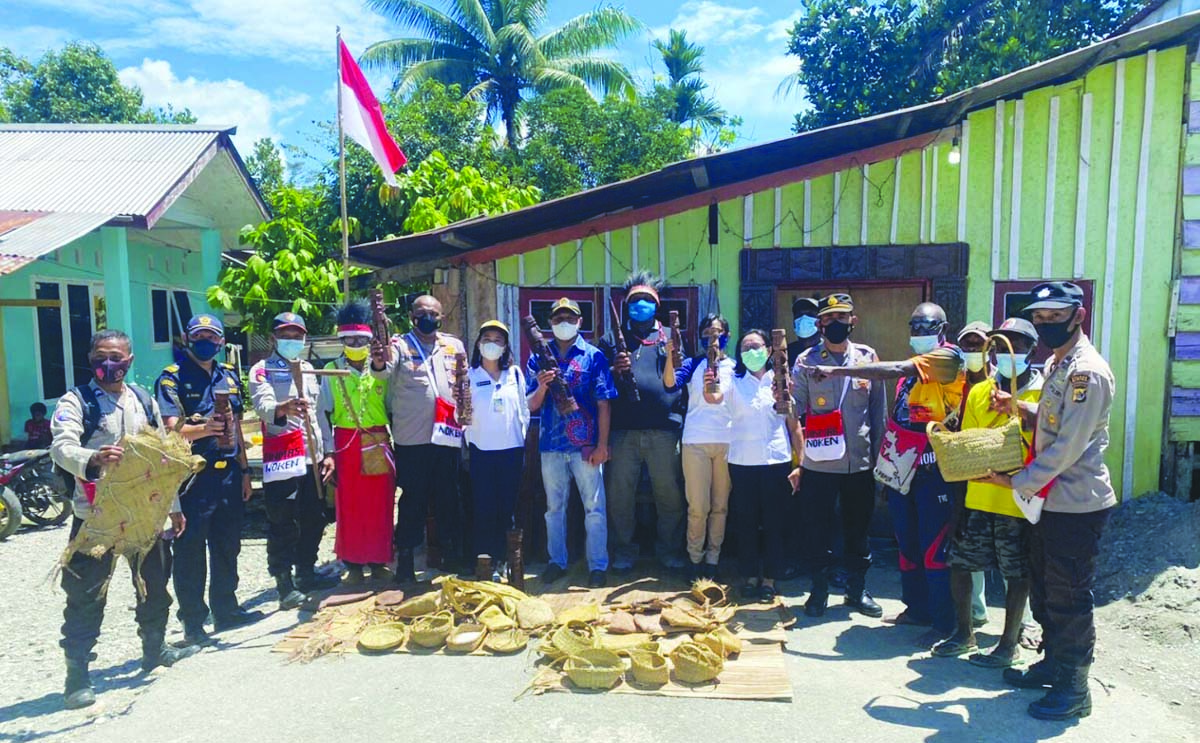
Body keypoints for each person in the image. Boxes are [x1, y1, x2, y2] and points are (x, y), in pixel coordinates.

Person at [977, 281, 1116, 721]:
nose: (1045, 324)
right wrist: (1020, 408)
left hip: (1075, 501)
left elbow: (1067, 447)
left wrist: (1018, 481)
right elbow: (1057, 421)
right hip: (1049, 501)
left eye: (1054, 316)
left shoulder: (1086, 372)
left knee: (1069, 594)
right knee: (1043, 585)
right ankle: (1054, 664)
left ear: (1078, 315)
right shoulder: (1061, 362)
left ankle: (1075, 687)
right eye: (1039, 318)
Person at [50, 329, 198, 710]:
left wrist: (174, 506)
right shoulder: (76, 400)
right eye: (101, 356)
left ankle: (155, 648)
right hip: (96, 515)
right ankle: (77, 675)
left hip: (146, 514)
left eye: (116, 357)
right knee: (85, 594)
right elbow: (61, 447)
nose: (108, 364)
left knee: (153, 582)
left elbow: (162, 461)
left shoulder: (143, 400)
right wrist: (92, 458)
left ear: (130, 361)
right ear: (91, 358)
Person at [808, 302, 965, 636]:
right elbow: (894, 419)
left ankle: (944, 623)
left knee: (934, 547)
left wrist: (837, 372)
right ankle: (918, 608)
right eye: (915, 328)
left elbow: (891, 370)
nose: (920, 334)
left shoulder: (947, 358)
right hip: (902, 471)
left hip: (934, 470)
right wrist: (886, 470)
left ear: (943, 329)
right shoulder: (912, 378)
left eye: (928, 328)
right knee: (907, 544)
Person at [934, 318, 1042, 666]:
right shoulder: (980, 391)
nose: (1011, 351)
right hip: (979, 497)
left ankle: (1008, 644)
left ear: (1032, 350)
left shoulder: (1042, 397)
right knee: (961, 563)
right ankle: (964, 633)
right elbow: (968, 447)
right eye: (1004, 344)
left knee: (1017, 573)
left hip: (1019, 500)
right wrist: (959, 505)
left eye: (1019, 345)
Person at [155, 314, 261, 647]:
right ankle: (193, 622)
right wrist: (205, 429)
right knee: (190, 551)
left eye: (212, 337)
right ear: (187, 339)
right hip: (193, 478)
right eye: (199, 336)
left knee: (228, 544)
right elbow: (170, 428)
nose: (206, 342)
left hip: (228, 474)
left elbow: (238, 429)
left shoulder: (229, 374)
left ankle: (226, 609)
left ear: (220, 341)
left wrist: (245, 472)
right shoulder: (171, 379)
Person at [792, 293, 886, 618]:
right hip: (819, 462)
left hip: (859, 462)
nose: (835, 324)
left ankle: (856, 591)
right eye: (829, 319)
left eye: (841, 317)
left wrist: (880, 460)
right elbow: (795, 409)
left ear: (852, 321)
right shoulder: (805, 361)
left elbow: (878, 411)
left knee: (858, 529)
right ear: (819, 324)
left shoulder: (867, 357)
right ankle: (817, 591)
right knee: (816, 529)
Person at [371, 295, 468, 583]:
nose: (429, 318)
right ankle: (405, 562)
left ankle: (451, 555)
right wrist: (378, 360)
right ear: (413, 317)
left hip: (447, 437)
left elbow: (463, 384)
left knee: (448, 497)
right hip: (412, 440)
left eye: (434, 313)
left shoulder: (453, 346)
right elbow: (383, 371)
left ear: (441, 317)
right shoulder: (400, 345)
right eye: (423, 313)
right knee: (413, 500)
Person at [526, 297, 615, 588]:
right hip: (551, 445)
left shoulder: (594, 356)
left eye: (569, 318)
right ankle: (557, 561)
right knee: (554, 509)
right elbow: (531, 405)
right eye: (557, 318)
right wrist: (542, 385)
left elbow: (603, 403)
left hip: (585, 445)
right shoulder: (537, 357)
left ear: (579, 322)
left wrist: (602, 444)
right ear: (550, 324)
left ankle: (598, 565)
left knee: (595, 508)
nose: (563, 322)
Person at [603, 272, 687, 571]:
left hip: (664, 430)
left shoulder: (670, 337)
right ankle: (624, 551)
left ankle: (670, 551)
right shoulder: (611, 338)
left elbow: (681, 377)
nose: (641, 305)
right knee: (619, 495)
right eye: (635, 301)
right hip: (622, 431)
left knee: (669, 495)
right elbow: (598, 386)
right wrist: (615, 369)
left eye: (647, 300)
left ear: (657, 304)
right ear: (626, 305)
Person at [250, 312, 333, 610]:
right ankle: (284, 583)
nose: (292, 341)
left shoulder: (310, 369)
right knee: (283, 519)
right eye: (286, 335)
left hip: (312, 455)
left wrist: (329, 453)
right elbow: (262, 405)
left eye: (297, 336)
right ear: (273, 338)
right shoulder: (263, 369)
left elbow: (320, 414)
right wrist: (284, 407)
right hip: (284, 453)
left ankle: (306, 571)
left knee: (314, 515)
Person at [717, 329, 802, 602]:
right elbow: (713, 397)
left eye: (756, 346)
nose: (751, 352)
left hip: (776, 461)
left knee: (775, 522)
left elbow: (793, 424)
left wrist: (802, 463)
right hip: (742, 461)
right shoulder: (733, 380)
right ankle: (750, 576)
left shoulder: (781, 381)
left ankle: (770, 578)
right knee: (746, 522)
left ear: (768, 349)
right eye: (745, 347)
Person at [318, 300, 395, 585]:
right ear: (341, 340)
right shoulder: (329, 369)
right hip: (346, 443)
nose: (355, 343)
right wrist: (328, 451)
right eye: (350, 339)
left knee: (380, 503)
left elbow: (392, 404)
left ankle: (378, 560)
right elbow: (322, 412)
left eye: (361, 339)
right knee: (349, 505)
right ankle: (352, 563)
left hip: (376, 440)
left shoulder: (382, 370)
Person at [662, 313, 735, 580]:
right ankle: (694, 558)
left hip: (727, 443)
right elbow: (670, 384)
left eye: (718, 332)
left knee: (721, 505)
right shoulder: (693, 364)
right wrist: (671, 356)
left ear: (727, 335)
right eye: (707, 333)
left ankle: (713, 559)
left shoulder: (737, 369)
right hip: (695, 442)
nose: (713, 338)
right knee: (698, 506)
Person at [462, 320, 530, 578]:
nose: (492, 344)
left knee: (507, 509)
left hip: (511, 451)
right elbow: (461, 414)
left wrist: (520, 435)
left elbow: (524, 408)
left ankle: (505, 561)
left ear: (505, 347)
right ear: (479, 344)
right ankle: (484, 561)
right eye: (487, 339)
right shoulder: (469, 376)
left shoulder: (514, 374)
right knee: (483, 508)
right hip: (482, 451)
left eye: (498, 340)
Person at [955, 321, 994, 629]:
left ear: (990, 349)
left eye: (977, 345)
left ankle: (1025, 622)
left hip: (1002, 476)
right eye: (966, 345)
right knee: (970, 546)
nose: (972, 351)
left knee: (1013, 553)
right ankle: (977, 610)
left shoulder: (1004, 382)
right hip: (962, 475)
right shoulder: (956, 382)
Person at [788, 296, 821, 367]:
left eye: (810, 314)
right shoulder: (786, 353)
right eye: (799, 315)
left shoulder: (829, 349)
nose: (803, 318)